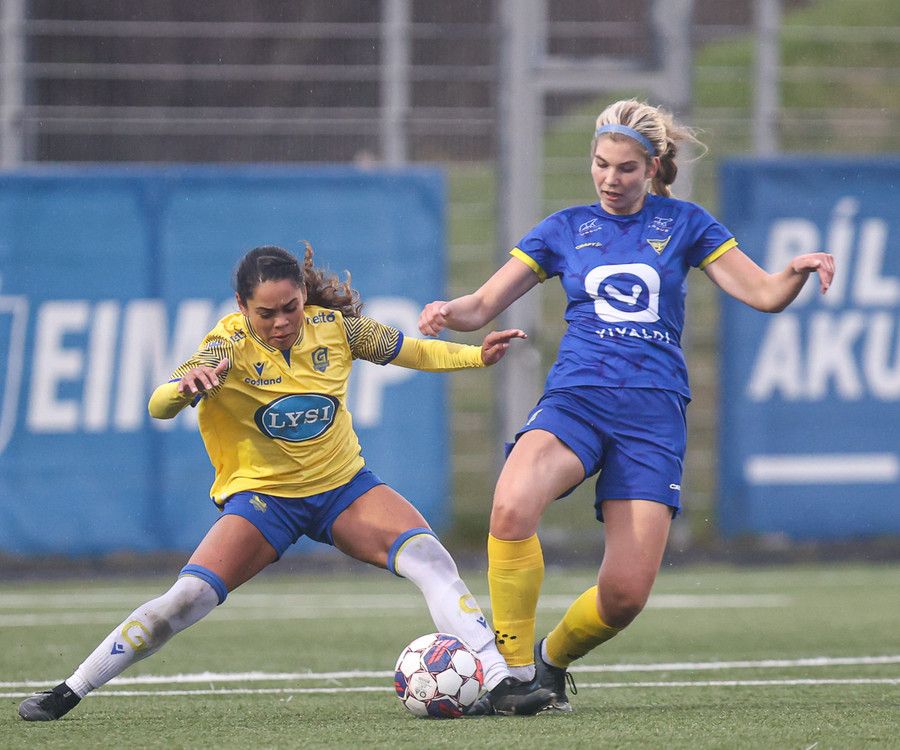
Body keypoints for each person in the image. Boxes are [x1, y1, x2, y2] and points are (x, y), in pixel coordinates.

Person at [18, 243, 557, 721]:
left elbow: (410, 349)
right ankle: (70, 689)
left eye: (291, 307)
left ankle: (501, 682)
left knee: (431, 559)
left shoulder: (336, 328)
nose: (281, 322)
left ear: (303, 295)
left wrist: (475, 356)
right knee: (186, 599)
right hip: (266, 501)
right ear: (241, 307)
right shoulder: (225, 346)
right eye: (266, 313)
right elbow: (159, 405)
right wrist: (183, 389)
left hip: (344, 488)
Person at [418, 99, 836, 713]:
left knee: (623, 597)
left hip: (653, 414)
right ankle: (511, 675)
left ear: (654, 168)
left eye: (626, 168)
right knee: (510, 504)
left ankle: (550, 661)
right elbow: (480, 306)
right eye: (601, 164)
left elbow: (765, 294)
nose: (610, 179)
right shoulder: (564, 228)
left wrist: (795, 270)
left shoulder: (687, 223)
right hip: (577, 397)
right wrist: (446, 312)